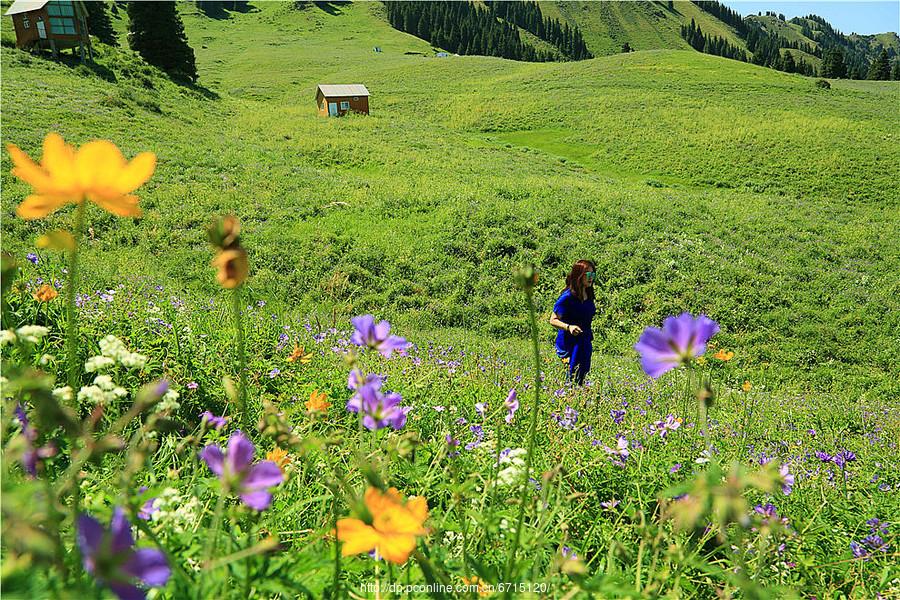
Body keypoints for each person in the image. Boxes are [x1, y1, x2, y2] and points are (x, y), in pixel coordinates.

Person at [549, 260, 597, 385]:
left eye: (593, 275)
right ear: (579, 276)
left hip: (584, 340)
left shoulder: (589, 294)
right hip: (569, 343)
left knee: (582, 375)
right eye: (588, 275)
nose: (591, 278)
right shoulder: (568, 297)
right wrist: (568, 327)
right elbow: (553, 320)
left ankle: (578, 399)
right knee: (570, 377)